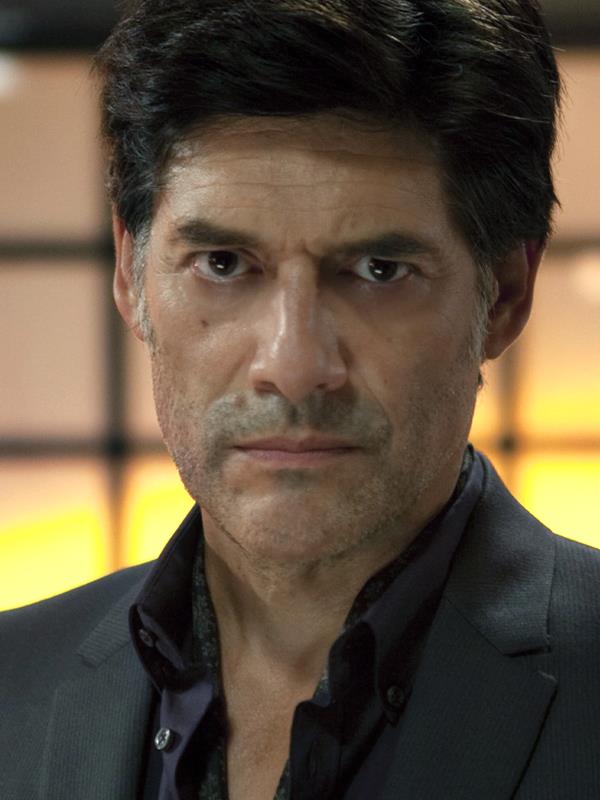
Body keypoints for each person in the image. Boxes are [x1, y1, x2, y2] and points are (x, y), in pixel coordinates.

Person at [2, 1, 600, 798]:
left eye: (379, 271)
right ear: (129, 272)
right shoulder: (12, 684)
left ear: (506, 296)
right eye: (223, 263)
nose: (292, 366)